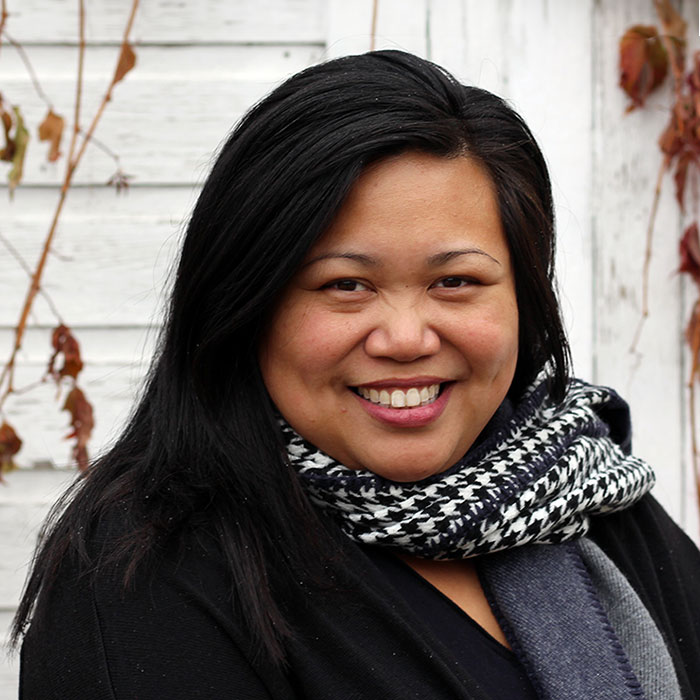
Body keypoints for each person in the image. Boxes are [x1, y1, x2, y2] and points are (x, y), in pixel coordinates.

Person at [13, 50, 700, 699]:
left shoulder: (589, 501)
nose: (405, 338)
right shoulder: (151, 580)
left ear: (522, 297)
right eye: (345, 285)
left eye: (456, 281)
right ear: (246, 302)